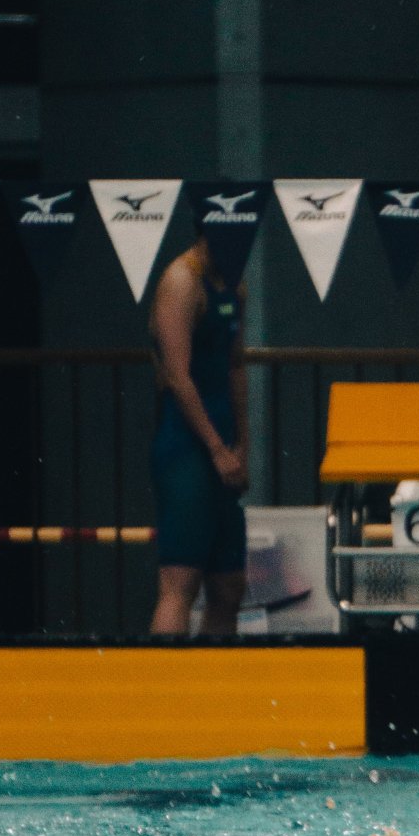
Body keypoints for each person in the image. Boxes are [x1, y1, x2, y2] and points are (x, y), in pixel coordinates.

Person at [147, 236, 249, 637]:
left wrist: (243, 445)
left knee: (229, 586)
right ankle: (165, 678)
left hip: (223, 444)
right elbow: (178, 377)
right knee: (180, 583)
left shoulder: (234, 283)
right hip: (186, 447)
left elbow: (236, 366)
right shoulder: (182, 281)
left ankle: (215, 677)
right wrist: (217, 449)